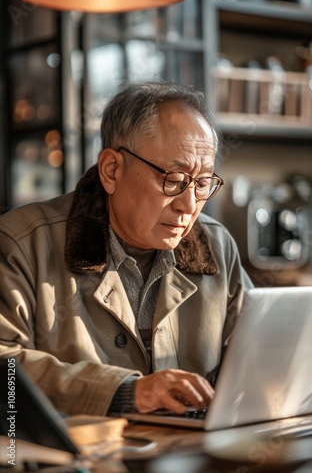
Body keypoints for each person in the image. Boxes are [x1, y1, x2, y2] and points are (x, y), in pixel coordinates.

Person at [0, 81, 252, 417]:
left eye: (203, 183)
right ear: (111, 170)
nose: (189, 205)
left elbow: (260, 348)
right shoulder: (22, 243)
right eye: (174, 179)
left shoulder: (218, 248)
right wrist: (125, 392)